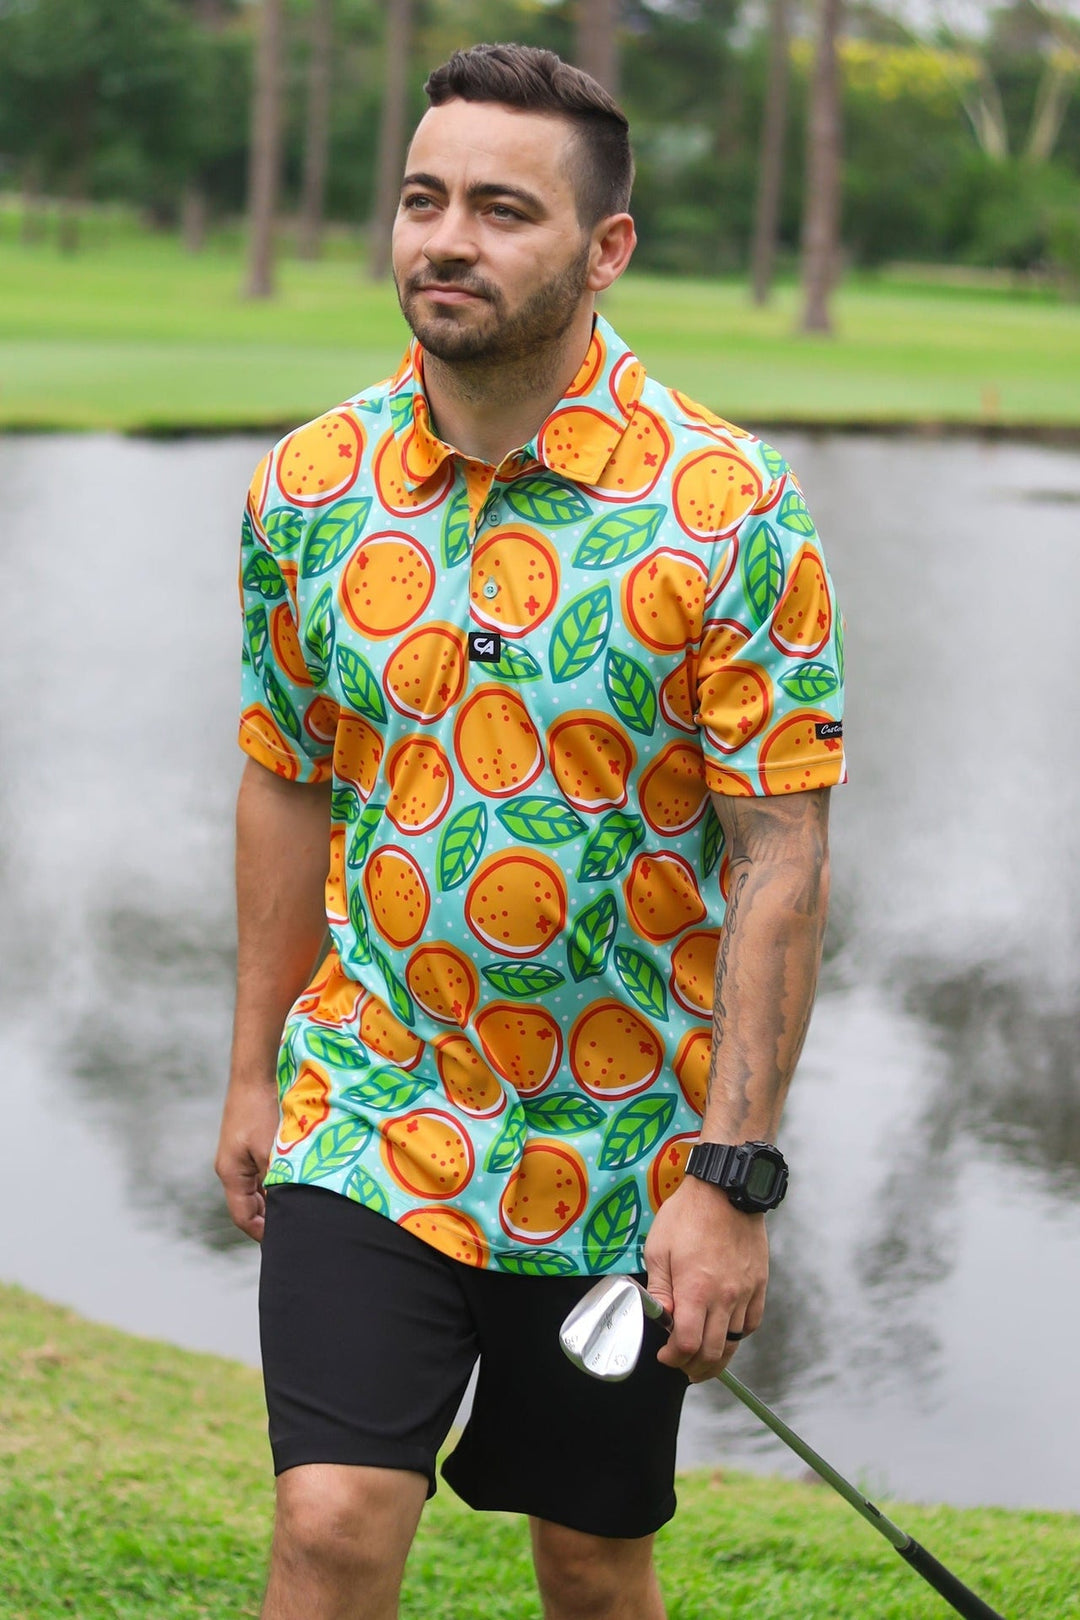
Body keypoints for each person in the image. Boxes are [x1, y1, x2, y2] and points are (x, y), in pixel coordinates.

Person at [215, 41, 844, 1620]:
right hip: (371, 1102)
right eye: (425, 199)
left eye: (503, 209)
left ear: (605, 248)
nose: (446, 238)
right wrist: (256, 1069)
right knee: (332, 1526)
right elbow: (289, 775)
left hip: (627, 1152)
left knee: (590, 1558)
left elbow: (779, 858)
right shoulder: (310, 488)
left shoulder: (734, 510)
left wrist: (733, 1178)